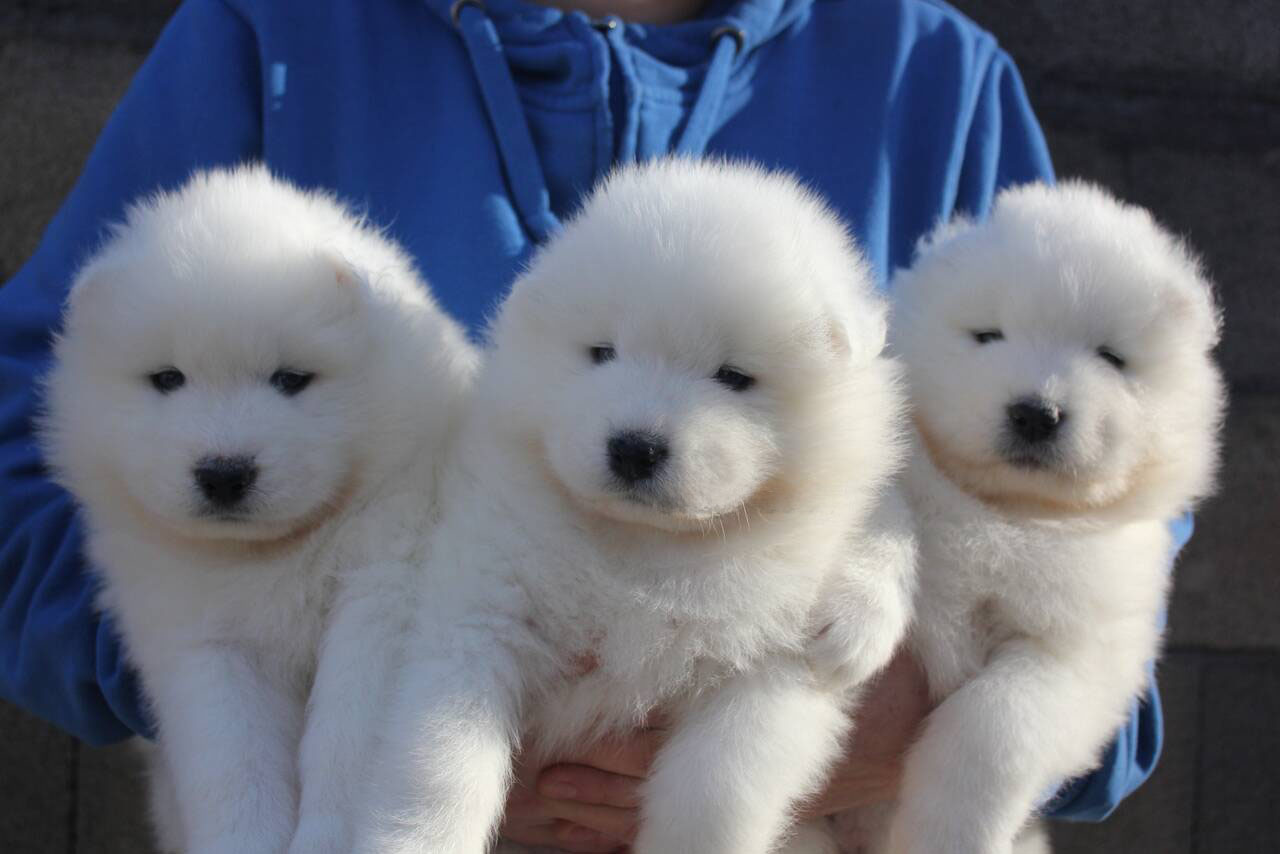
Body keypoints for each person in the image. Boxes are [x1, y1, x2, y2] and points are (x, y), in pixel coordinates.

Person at [0, 0, 1176, 850]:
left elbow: (1104, 532)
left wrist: (904, 729)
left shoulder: (930, 75)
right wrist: (295, 706)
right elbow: (39, 436)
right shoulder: (273, 32)